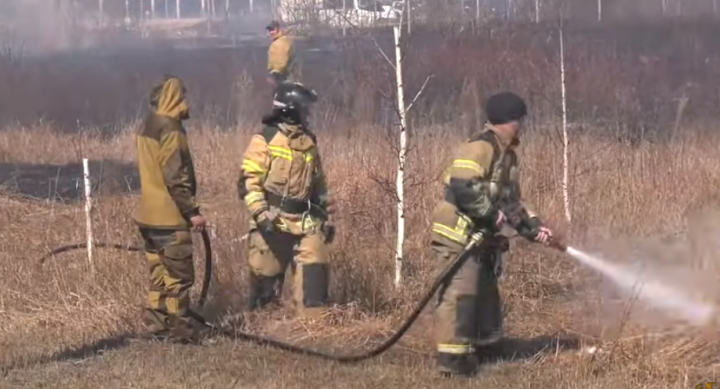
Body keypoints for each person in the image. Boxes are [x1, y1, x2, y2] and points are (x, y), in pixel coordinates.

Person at [429, 91, 555, 377]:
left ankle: (488, 348)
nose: (521, 125)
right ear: (507, 120)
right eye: (518, 119)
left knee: (485, 294)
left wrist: (533, 228)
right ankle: (453, 361)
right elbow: (462, 186)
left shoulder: (506, 156)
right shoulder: (481, 147)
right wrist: (488, 213)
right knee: (461, 295)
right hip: (457, 234)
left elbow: (510, 203)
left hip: (480, 238)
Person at [237, 81, 335, 320]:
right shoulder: (265, 140)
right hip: (273, 222)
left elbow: (319, 185)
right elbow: (248, 183)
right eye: (304, 109)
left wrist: (328, 216)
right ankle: (264, 333)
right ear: (290, 110)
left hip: (306, 223)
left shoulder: (309, 143)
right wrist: (261, 216)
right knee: (265, 299)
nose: (308, 114)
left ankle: (314, 329)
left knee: (315, 289)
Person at [132, 75, 208, 344]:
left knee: (159, 278)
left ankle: (158, 327)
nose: (186, 102)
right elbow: (175, 177)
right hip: (170, 218)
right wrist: (192, 212)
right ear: (173, 98)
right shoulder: (171, 130)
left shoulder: (147, 126)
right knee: (179, 280)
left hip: (148, 218)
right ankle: (183, 334)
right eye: (183, 97)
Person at [266, 20, 295, 87]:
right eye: (270, 30)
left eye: (273, 30)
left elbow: (281, 60)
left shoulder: (281, 42)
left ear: (278, 29)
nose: (271, 32)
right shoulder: (277, 41)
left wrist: (275, 74)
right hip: (279, 75)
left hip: (281, 76)